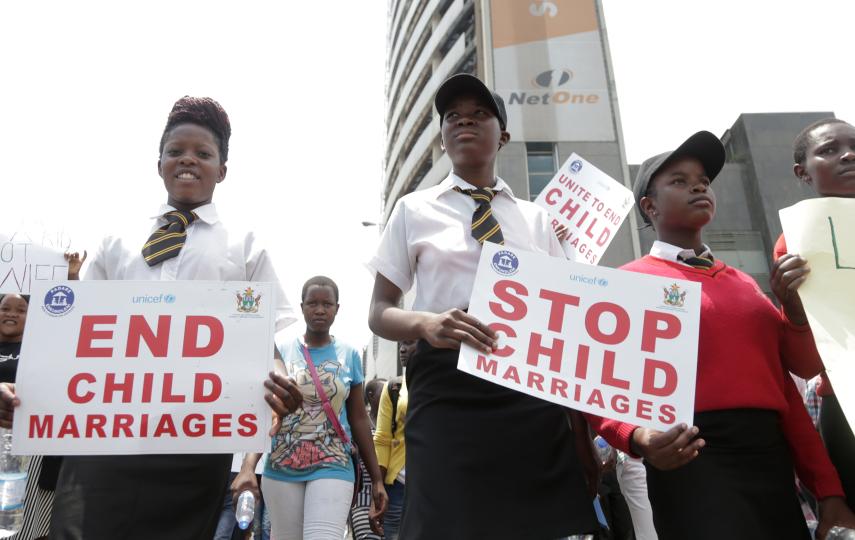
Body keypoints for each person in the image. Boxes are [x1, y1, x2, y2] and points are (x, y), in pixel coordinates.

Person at [0, 96, 303, 540]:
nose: (188, 160)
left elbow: (264, 344)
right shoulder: (116, 241)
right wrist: (22, 389)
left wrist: (281, 380)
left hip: (195, 441)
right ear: (158, 162)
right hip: (105, 437)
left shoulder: (245, 246)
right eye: (176, 150)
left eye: (204, 154)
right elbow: (76, 337)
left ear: (222, 170)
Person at [588, 131, 855, 540]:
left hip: (770, 463)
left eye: (704, 180)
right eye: (678, 180)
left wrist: (828, 491)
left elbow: (789, 389)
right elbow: (595, 386)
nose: (698, 185)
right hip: (688, 460)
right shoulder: (625, 284)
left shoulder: (747, 286)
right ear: (649, 206)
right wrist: (636, 437)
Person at [367, 73, 598, 539]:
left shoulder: (538, 220)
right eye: (453, 116)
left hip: (528, 383)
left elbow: (568, 315)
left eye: (479, 115)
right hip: (446, 383)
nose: (464, 123)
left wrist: (581, 431)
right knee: (444, 518)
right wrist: (426, 323)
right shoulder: (413, 210)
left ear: (503, 135)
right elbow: (379, 310)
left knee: (534, 521)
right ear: (444, 134)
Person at [235, 276, 388, 540]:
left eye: (327, 304)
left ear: (337, 309)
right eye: (312, 303)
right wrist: (249, 466)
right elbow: (266, 414)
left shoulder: (349, 355)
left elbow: (359, 418)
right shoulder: (279, 352)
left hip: (333, 463)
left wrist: (376, 479)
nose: (319, 310)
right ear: (302, 306)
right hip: (281, 465)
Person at [776, 118, 855, 509]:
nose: (849, 154)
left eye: (854, 144)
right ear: (802, 172)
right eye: (828, 149)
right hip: (846, 404)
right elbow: (805, 366)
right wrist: (793, 309)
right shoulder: (795, 246)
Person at [0, 294, 55, 540]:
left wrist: (73, 276)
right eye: (5, 308)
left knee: (14, 523)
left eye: (21, 310)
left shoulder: (39, 351)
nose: (11, 313)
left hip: (20, 448)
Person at [373, 339, 416, 540]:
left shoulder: (447, 386)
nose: (403, 349)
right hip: (398, 487)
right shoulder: (395, 387)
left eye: (411, 343)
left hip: (437, 485)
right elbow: (382, 439)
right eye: (401, 343)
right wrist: (378, 487)